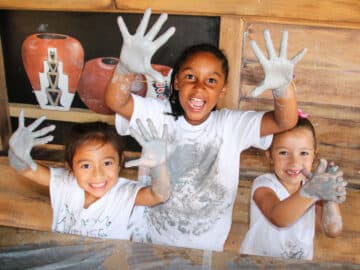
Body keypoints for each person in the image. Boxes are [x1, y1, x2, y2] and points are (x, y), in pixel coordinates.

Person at [105, 8, 307, 251]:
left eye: (211, 81)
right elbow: (117, 102)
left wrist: (283, 88)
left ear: (222, 90)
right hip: (147, 247)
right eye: (190, 77)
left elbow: (284, 121)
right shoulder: (158, 116)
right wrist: (125, 69)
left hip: (205, 254)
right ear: (176, 81)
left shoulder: (230, 125)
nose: (199, 87)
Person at [8, 110, 170, 240]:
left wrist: (159, 164)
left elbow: (159, 194)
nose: (98, 174)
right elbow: (24, 168)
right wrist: (16, 153)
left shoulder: (124, 193)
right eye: (86, 165)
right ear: (70, 166)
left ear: (120, 161)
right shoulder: (65, 183)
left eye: (107, 163)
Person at [239, 113, 347, 260]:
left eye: (304, 153)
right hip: (256, 265)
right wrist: (311, 193)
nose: (294, 162)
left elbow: (333, 230)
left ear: (314, 156)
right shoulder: (264, 185)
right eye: (284, 153)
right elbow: (279, 218)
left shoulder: (315, 187)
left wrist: (329, 199)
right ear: (269, 156)